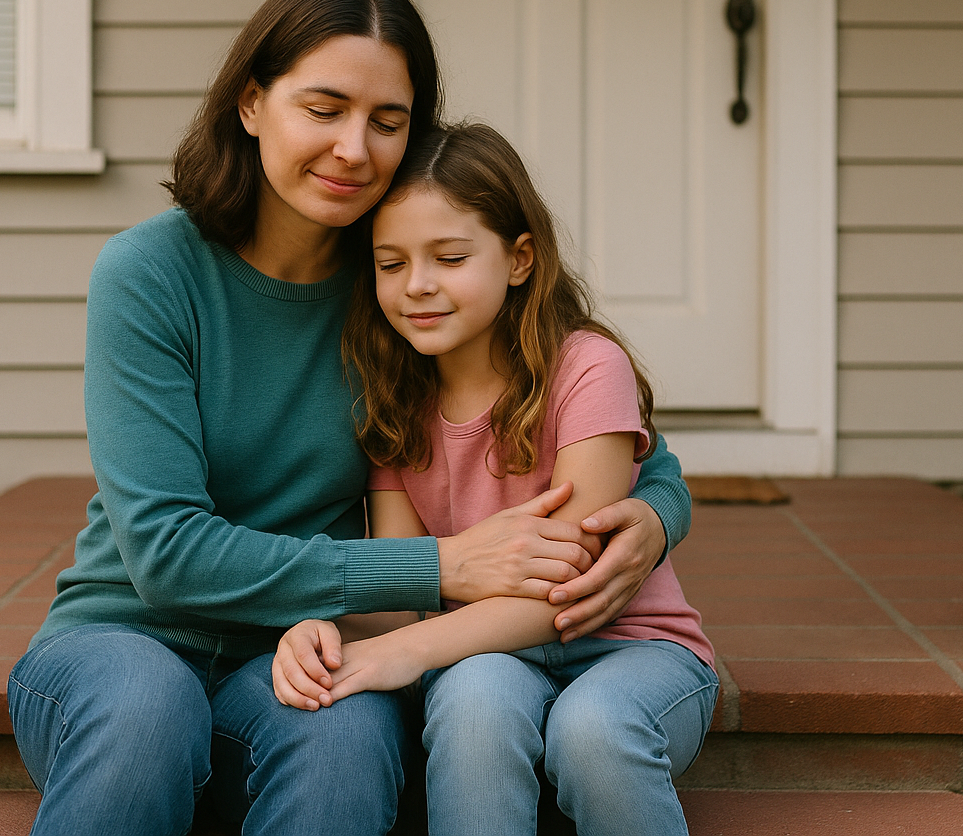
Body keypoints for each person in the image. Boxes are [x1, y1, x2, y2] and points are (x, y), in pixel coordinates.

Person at [5, 0, 696, 836]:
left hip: (308, 644)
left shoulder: (402, 281)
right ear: (252, 103)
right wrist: (440, 568)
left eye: (388, 122)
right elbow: (165, 554)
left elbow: (630, 441)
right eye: (323, 110)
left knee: (346, 740)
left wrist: (662, 513)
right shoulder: (151, 274)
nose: (354, 149)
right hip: (129, 639)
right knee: (149, 710)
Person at [272, 123, 718, 836]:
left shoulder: (585, 369)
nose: (417, 285)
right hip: (486, 654)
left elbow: (569, 586)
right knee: (473, 700)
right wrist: (325, 630)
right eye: (390, 264)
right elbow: (400, 588)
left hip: (630, 648)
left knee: (590, 730)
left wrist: (405, 650)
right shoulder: (394, 405)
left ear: (518, 259)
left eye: (449, 257)